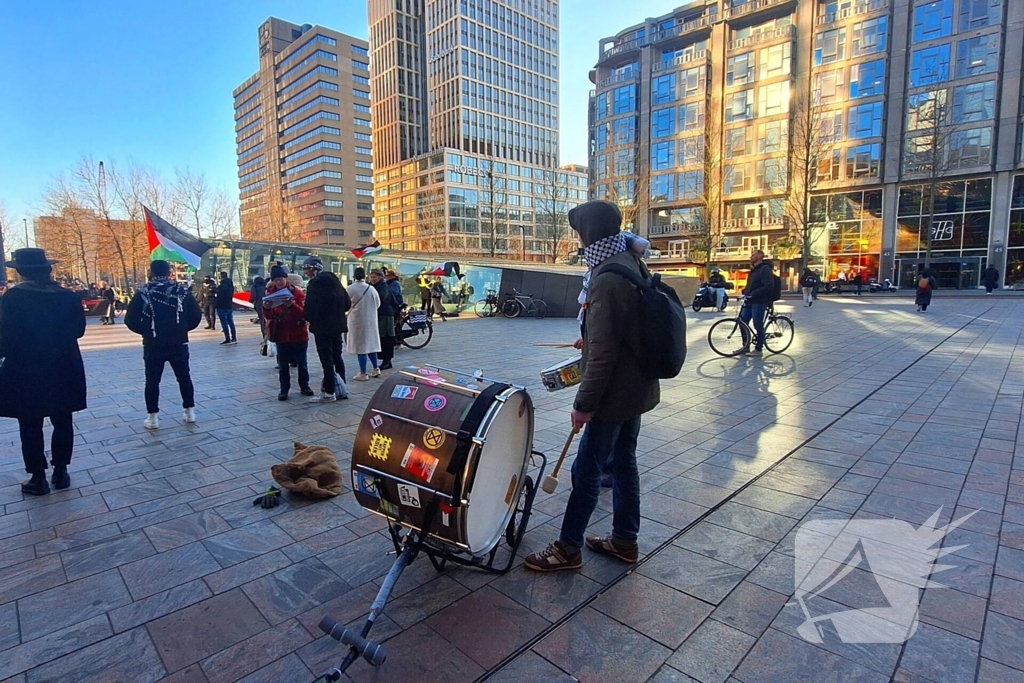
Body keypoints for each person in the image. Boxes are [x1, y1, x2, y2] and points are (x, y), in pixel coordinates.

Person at [525, 201, 660, 572]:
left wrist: (584, 404)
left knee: (586, 471)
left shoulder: (606, 276)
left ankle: (567, 548)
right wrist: (594, 336)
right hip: (636, 387)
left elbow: (603, 358)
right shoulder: (629, 259)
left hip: (613, 394)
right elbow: (621, 329)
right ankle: (624, 541)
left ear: (587, 233)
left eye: (578, 231)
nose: (577, 238)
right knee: (624, 463)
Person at [0, 249, 87, 495]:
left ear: (21, 272)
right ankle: (61, 471)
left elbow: (6, 337)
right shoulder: (68, 296)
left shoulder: (13, 297)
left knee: (30, 423)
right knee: (62, 419)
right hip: (64, 365)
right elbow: (79, 331)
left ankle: (38, 477)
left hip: (27, 368)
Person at [124, 260, 203, 430]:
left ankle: (152, 418)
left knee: (152, 381)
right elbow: (196, 315)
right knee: (184, 378)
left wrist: (147, 330)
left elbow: (130, 319)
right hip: (178, 342)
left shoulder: (143, 292)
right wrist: (181, 329)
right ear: (169, 272)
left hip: (153, 343)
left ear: (151, 272)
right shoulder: (181, 291)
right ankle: (189, 412)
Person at [303, 256, 351, 402]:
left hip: (322, 327)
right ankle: (341, 389)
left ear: (312, 269)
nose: (306, 273)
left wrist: (309, 318)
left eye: (306, 269)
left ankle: (329, 392)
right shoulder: (335, 281)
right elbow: (347, 303)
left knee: (326, 359)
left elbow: (310, 308)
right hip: (338, 325)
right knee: (337, 357)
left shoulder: (315, 284)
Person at [264, 265, 313, 400]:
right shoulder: (269, 293)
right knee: (283, 365)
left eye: (281, 279)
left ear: (286, 279)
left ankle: (304, 386)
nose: (279, 282)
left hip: (298, 332)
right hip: (281, 334)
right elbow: (268, 316)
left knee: (302, 363)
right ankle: (284, 389)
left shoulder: (296, 292)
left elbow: (304, 313)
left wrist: (291, 306)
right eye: (276, 280)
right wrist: (266, 308)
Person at [346, 267, 382, 380]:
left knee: (360, 347)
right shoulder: (371, 289)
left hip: (357, 321)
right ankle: (376, 368)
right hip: (371, 321)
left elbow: (345, 304)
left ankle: (363, 373)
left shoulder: (350, 289)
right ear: (365, 276)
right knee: (371, 345)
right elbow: (378, 304)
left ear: (354, 276)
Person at [740, 250, 775, 358]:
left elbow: (769, 285)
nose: (751, 256)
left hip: (759, 301)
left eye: (753, 255)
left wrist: (755, 293)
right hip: (750, 301)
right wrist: (745, 291)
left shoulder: (765, 269)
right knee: (742, 322)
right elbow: (751, 285)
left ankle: (759, 349)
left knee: (757, 324)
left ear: (759, 257)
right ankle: (745, 346)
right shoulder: (753, 270)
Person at [370, 270, 399, 371]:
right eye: (371, 277)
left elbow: (382, 297)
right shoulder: (374, 286)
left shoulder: (383, 286)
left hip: (385, 314)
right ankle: (385, 360)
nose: (372, 279)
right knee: (382, 337)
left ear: (379, 277)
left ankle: (387, 361)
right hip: (380, 314)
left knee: (386, 337)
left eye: (374, 277)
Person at [216, 271, 237, 344]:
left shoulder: (221, 286)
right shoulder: (231, 286)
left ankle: (227, 338)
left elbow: (220, 297)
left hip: (221, 306)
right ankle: (234, 337)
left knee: (224, 322)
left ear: (221, 277)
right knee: (231, 322)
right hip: (229, 305)